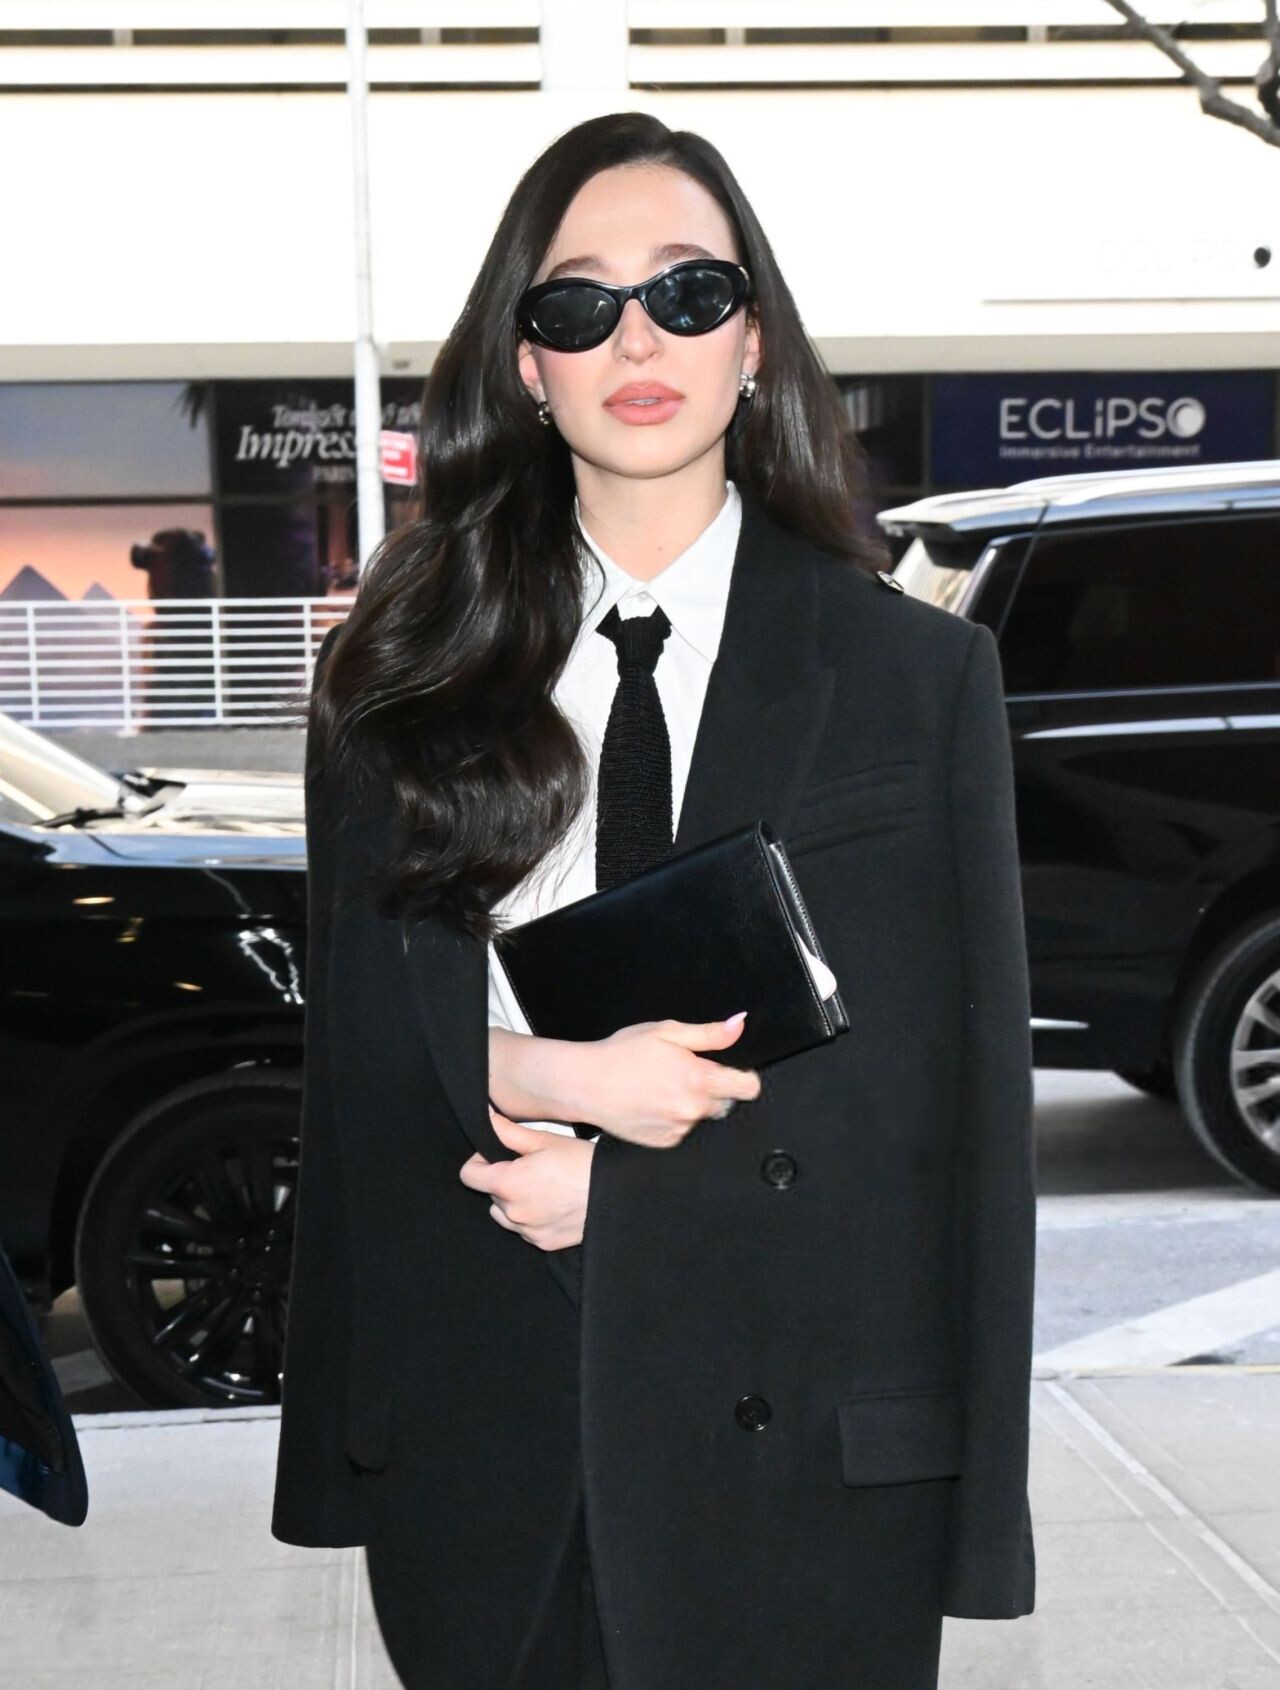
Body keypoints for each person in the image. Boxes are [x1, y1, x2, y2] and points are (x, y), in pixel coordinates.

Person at [272, 110, 1037, 1690]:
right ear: (526, 365)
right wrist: (542, 1069)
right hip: (489, 1462)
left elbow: (946, 1112)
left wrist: (636, 1205)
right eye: (580, 303)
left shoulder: (915, 677)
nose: (638, 337)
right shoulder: (396, 673)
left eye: (689, 291)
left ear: (754, 340)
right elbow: (352, 1055)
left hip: (802, 1478)